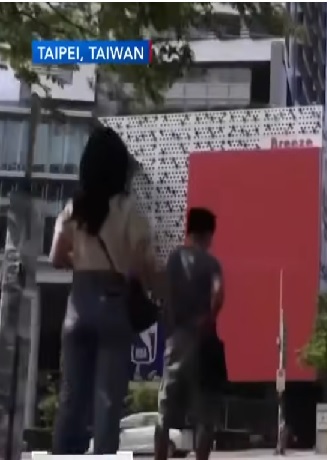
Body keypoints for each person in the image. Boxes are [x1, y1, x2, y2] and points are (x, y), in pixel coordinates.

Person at [50, 126, 162, 454]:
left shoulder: (74, 208)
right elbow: (144, 267)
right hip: (114, 306)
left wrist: (83, 263)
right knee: (107, 401)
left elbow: (56, 257)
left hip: (78, 307)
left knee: (71, 397)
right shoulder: (128, 211)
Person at [155, 208, 225, 460]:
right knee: (205, 415)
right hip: (203, 342)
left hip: (176, 340)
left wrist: (171, 322)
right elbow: (218, 293)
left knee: (165, 411)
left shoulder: (174, 259)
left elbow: (163, 293)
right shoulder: (212, 263)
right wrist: (208, 319)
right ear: (207, 234)